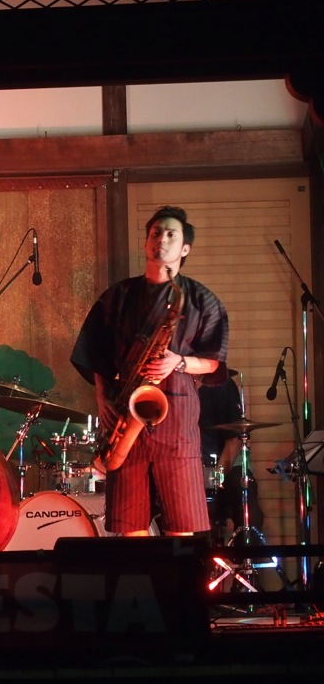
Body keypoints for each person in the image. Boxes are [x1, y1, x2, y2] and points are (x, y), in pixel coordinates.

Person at [70, 206, 228, 536]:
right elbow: (96, 353)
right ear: (145, 243)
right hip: (124, 416)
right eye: (156, 233)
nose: (162, 240)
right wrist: (102, 398)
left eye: (171, 234)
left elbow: (213, 361)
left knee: (182, 532)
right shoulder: (117, 296)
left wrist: (178, 361)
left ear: (185, 248)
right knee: (131, 532)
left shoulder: (202, 300)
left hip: (177, 423)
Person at [198, 372, 265, 543]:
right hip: (192, 466)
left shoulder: (224, 386)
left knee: (249, 510)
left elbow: (234, 441)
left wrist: (215, 479)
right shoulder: (177, 386)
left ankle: (245, 557)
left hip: (227, 464)